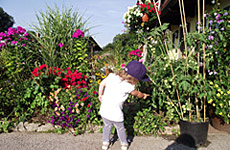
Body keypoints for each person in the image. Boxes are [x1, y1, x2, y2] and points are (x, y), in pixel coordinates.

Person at [98, 60, 150, 150]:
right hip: (116, 114)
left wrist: (100, 95)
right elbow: (137, 94)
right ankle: (124, 144)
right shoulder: (129, 86)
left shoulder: (111, 76)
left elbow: (102, 84)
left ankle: (105, 143)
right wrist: (144, 95)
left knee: (107, 126)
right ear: (134, 79)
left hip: (104, 110)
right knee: (120, 129)